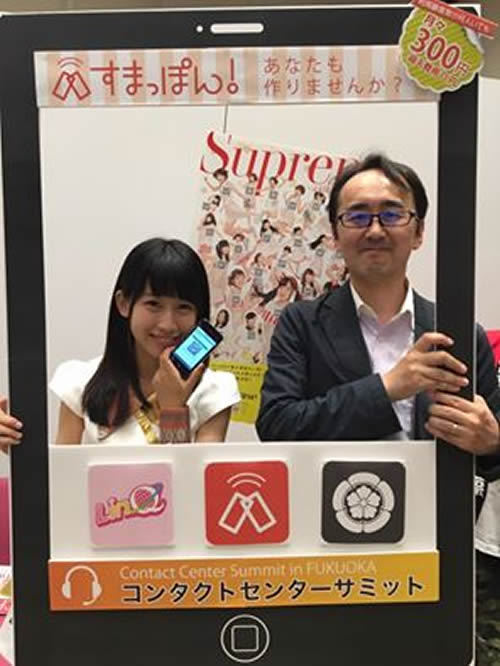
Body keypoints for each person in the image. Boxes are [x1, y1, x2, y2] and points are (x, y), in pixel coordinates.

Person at [256, 153, 500, 665]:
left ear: (418, 232)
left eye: (391, 213)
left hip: (436, 553)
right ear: (335, 232)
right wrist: (387, 388)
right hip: (325, 553)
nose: (374, 229)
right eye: (357, 215)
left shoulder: (460, 331)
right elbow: (277, 425)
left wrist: (492, 441)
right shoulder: (300, 324)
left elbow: (493, 453)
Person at [45, 238, 239, 445]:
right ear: (123, 303)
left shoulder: (215, 391)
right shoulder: (79, 381)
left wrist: (173, 410)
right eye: (153, 304)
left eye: (183, 307)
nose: (168, 324)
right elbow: (62, 464)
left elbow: (188, 467)